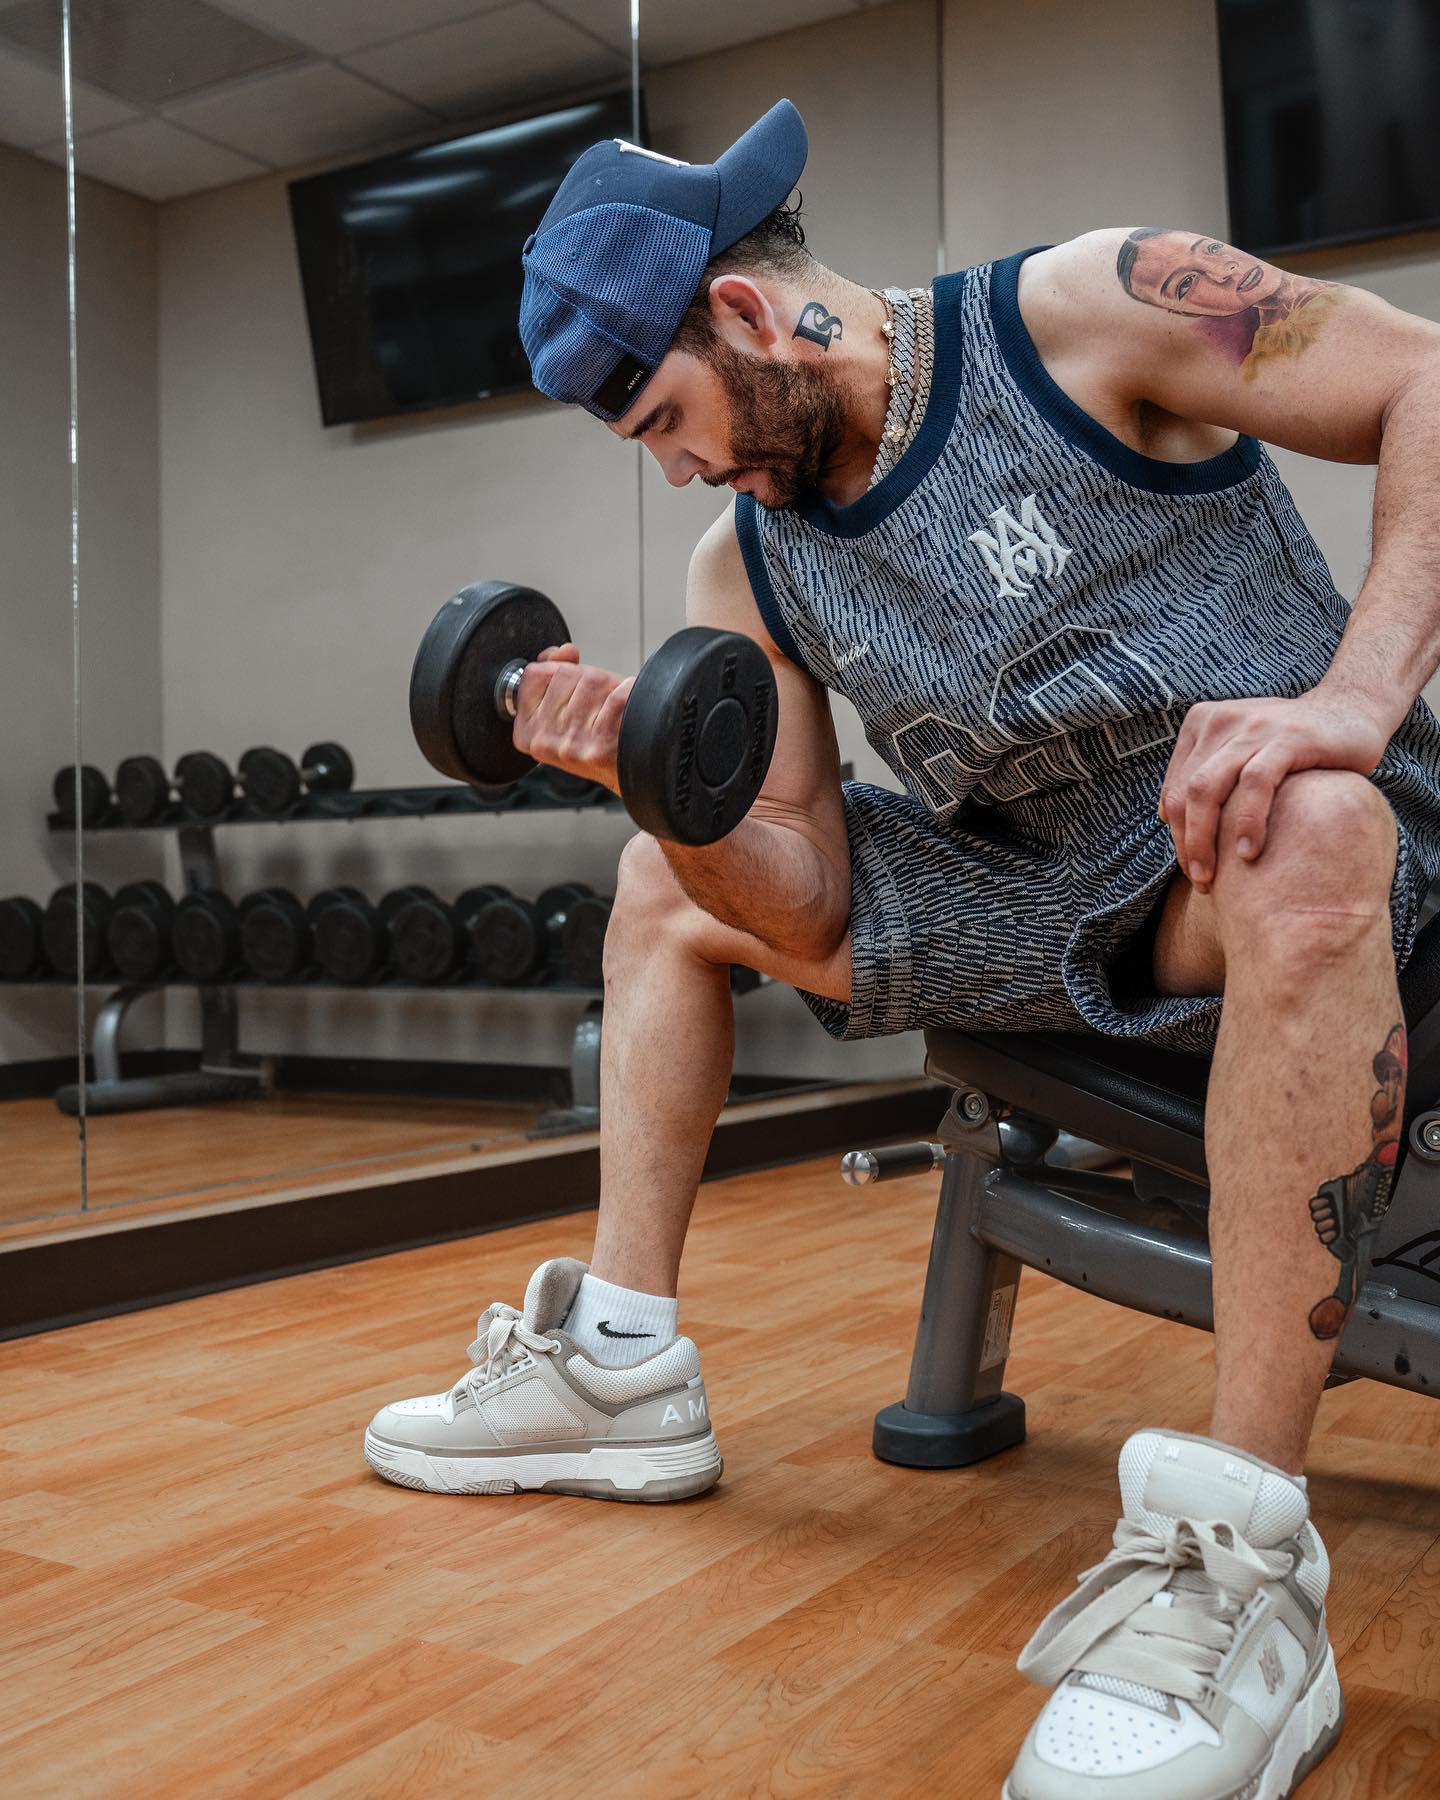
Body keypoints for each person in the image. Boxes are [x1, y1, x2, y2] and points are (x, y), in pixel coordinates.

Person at [365, 101, 1440, 1798]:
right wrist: (635, 762)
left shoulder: (1081, 311)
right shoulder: (760, 559)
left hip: (1271, 847)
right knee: (667, 881)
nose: (677, 472)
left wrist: (1355, 701)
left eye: (666, 420)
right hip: (1036, 897)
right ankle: (619, 1373)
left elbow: (1424, 377)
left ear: (739, 314)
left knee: (1309, 827)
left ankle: (1241, 1573)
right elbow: (793, 894)